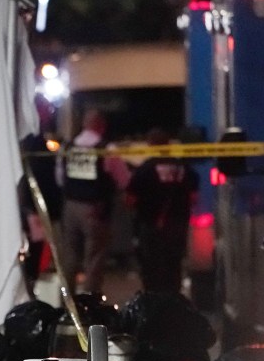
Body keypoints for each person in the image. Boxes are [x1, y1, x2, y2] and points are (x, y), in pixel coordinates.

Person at [60, 109, 130, 294]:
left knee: (70, 257)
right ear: (101, 125)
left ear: (84, 124)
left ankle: (67, 303)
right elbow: (124, 179)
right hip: (94, 210)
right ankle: (90, 304)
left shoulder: (67, 148)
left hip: (70, 206)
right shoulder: (105, 148)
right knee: (94, 258)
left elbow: (60, 178)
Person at [125, 127, 199, 293]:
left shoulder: (145, 169)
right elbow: (194, 198)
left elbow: (130, 199)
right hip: (178, 224)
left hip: (151, 225)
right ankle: (173, 300)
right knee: (174, 264)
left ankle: (153, 301)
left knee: (151, 266)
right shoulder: (184, 168)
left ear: (151, 145)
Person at [18, 96, 63, 298]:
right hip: (33, 207)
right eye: (46, 110)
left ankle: (30, 286)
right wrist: (30, 208)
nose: (49, 114)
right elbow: (35, 176)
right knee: (33, 251)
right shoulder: (32, 141)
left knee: (37, 250)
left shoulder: (37, 140)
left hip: (36, 205)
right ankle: (28, 288)